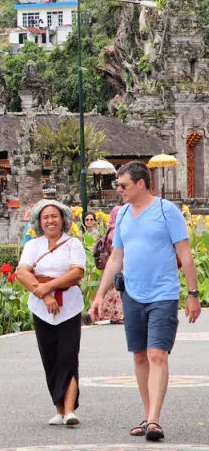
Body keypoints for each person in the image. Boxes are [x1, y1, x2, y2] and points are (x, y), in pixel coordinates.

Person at [89, 161, 201, 442]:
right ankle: (147, 413)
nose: (119, 190)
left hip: (163, 294)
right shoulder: (123, 214)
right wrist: (100, 294)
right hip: (132, 294)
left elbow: (185, 255)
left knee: (156, 354)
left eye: (123, 185)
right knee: (139, 356)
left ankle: (154, 419)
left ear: (141, 183)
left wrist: (193, 294)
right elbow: (116, 258)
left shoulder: (167, 211)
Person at [16, 199, 86, 427]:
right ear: (39, 222)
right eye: (45, 217)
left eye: (54, 216)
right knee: (50, 357)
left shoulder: (72, 244)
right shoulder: (33, 246)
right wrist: (45, 294)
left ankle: (69, 411)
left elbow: (76, 273)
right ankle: (58, 408)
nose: (50, 221)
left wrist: (49, 286)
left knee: (68, 355)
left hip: (69, 307)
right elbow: (22, 273)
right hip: (41, 307)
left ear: (63, 219)